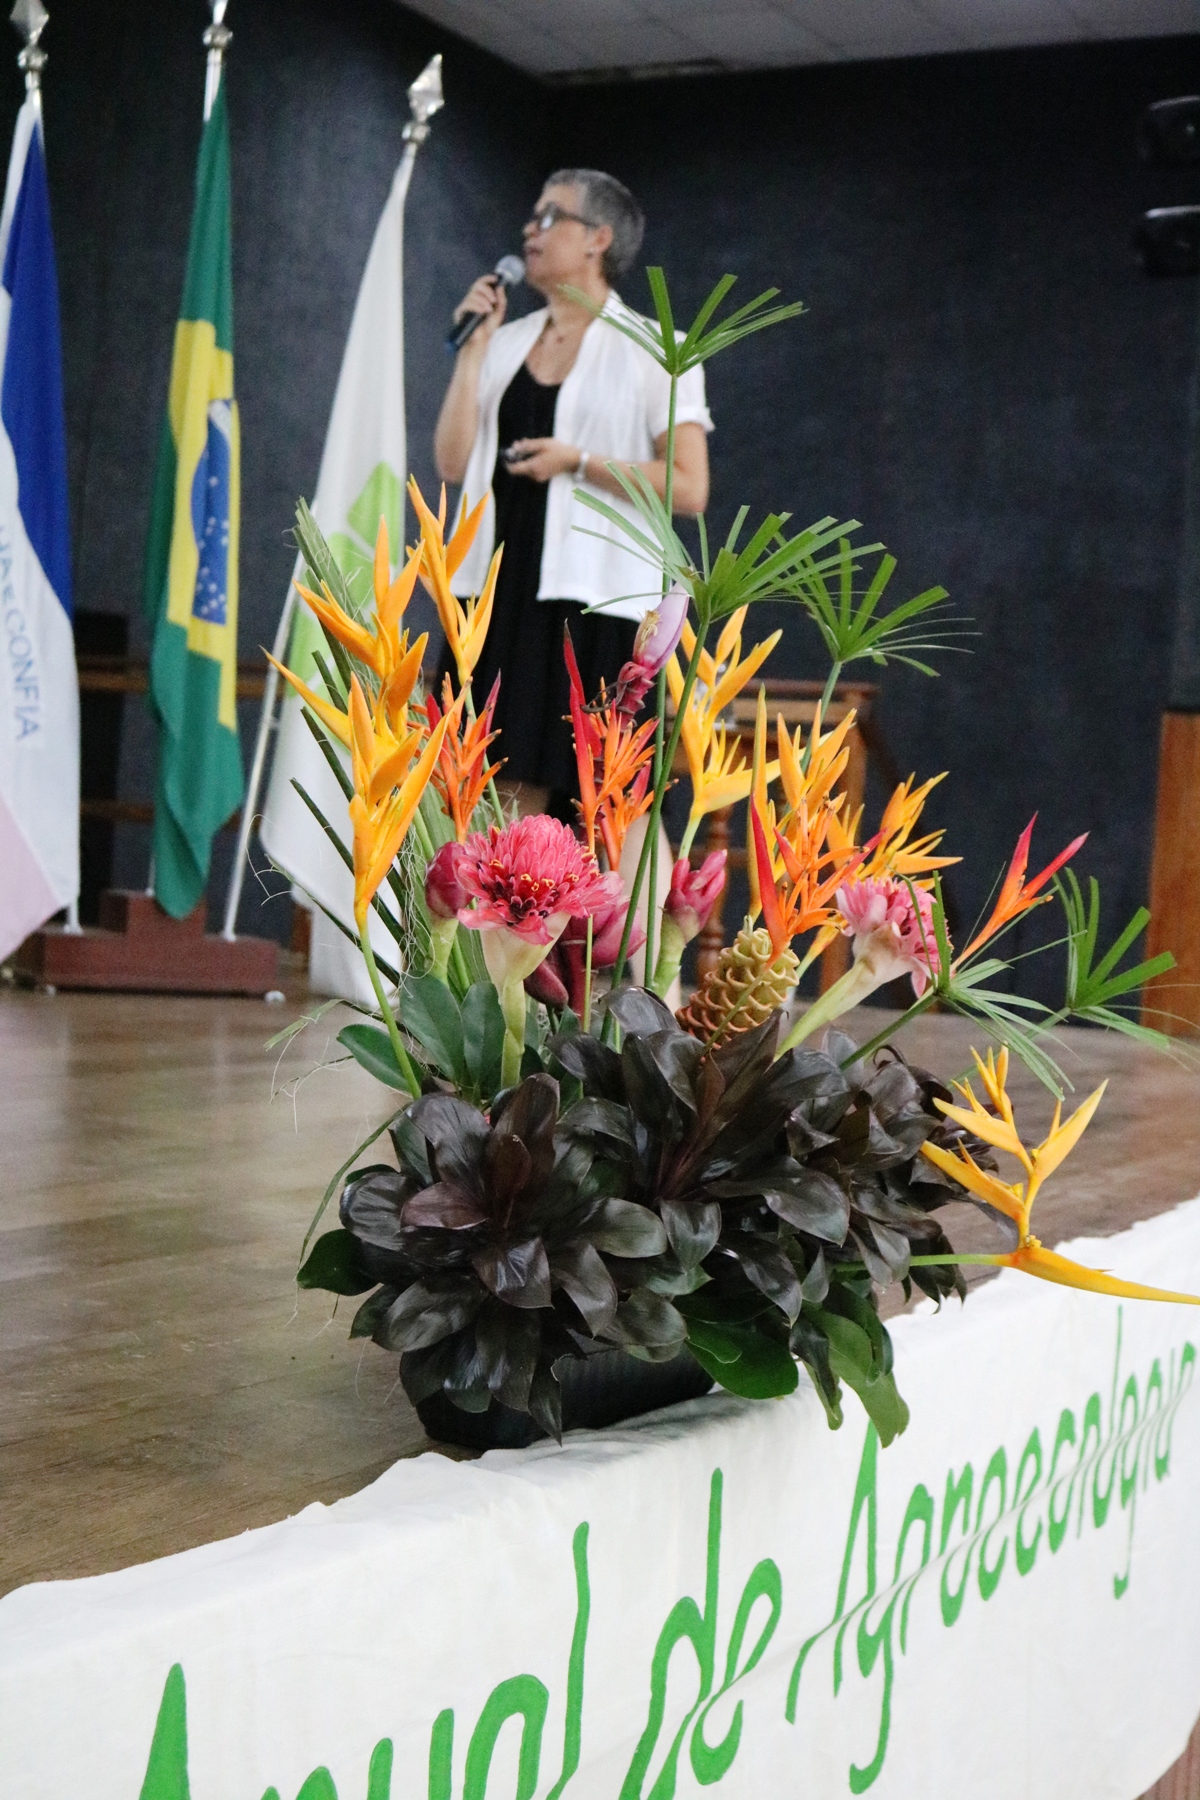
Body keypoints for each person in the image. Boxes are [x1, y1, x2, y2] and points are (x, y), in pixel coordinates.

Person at [433, 168, 712, 819]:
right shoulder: (503, 343)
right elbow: (451, 461)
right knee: (495, 801)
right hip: (497, 597)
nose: (530, 229)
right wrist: (471, 353)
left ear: (598, 239)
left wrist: (579, 462)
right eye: (533, 216)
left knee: (607, 810)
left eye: (550, 217)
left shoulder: (658, 350)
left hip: (595, 603)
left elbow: (690, 485)